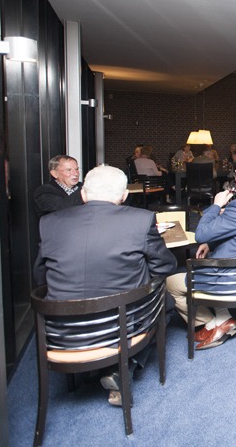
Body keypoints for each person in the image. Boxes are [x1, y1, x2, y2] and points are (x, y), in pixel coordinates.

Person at [33, 164, 176, 406]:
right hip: (119, 327)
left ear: (83, 194)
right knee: (167, 301)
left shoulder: (49, 223)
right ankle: (124, 367)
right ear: (124, 195)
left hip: (62, 331)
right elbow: (165, 267)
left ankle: (112, 368)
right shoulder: (140, 220)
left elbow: (40, 276)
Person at [167, 155, 236, 350]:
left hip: (232, 279)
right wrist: (211, 244)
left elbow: (200, 234)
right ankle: (220, 320)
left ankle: (212, 322)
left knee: (169, 285)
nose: (234, 178)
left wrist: (216, 205)